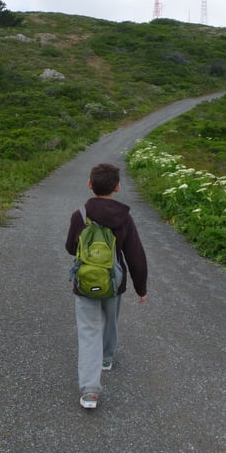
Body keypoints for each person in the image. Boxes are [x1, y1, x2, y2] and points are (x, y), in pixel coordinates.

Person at [65, 162, 148, 409]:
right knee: (110, 318)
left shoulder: (80, 215)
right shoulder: (124, 218)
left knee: (89, 331)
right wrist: (141, 288)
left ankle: (90, 391)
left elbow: (71, 248)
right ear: (118, 187)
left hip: (85, 283)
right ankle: (107, 358)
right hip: (114, 283)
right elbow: (135, 255)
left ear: (90, 185)